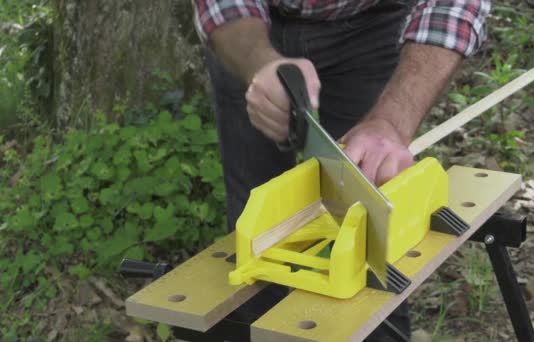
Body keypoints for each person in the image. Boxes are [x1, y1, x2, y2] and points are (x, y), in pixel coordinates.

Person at [192, 0, 490, 340]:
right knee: (255, 228)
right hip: (248, 30)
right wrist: (259, 62)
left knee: (370, 226)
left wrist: (391, 122)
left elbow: (454, 6)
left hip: (370, 26)